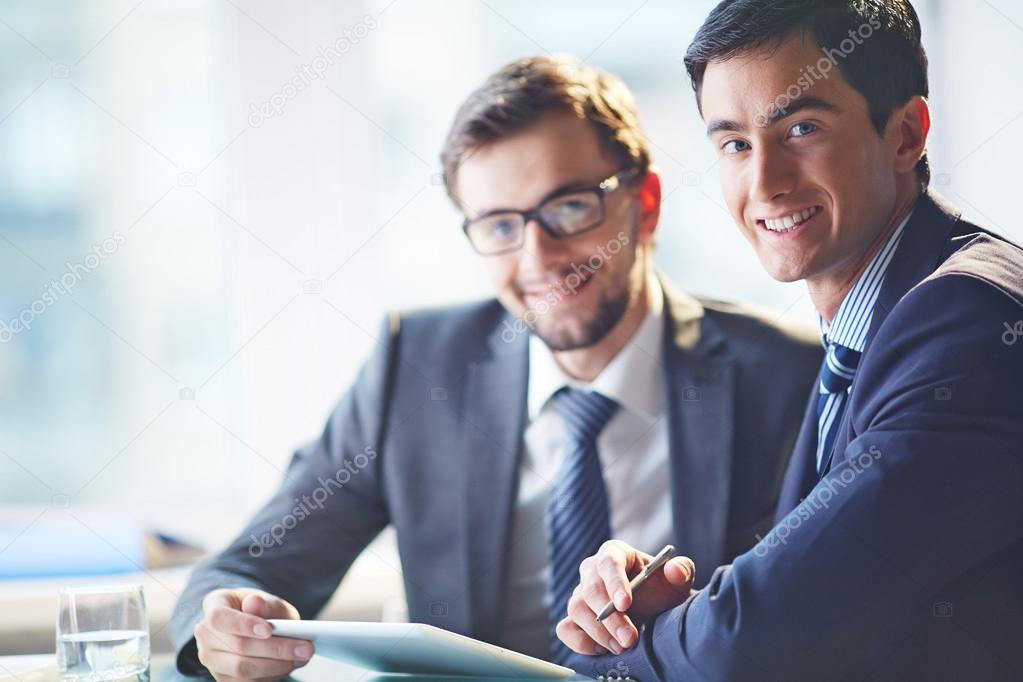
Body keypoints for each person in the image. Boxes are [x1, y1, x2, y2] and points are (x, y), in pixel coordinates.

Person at [168, 54, 822, 680]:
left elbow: (812, 622)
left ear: (644, 204)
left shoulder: (787, 374)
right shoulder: (415, 368)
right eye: (500, 226)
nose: (538, 256)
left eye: (569, 208)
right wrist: (226, 625)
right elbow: (243, 572)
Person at [557, 2, 1023, 680]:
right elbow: (832, 603)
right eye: (734, 145)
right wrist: (663, 602)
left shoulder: (966, 319)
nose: (763, 183)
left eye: (800, 128)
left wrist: (614, 651)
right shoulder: (867, 325)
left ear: (905, 134)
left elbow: (757, 636)